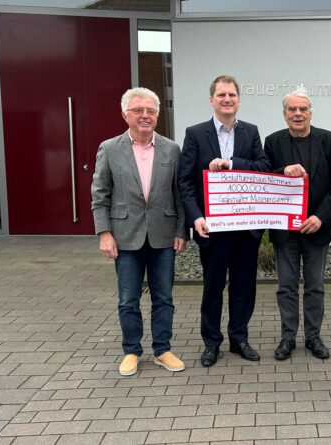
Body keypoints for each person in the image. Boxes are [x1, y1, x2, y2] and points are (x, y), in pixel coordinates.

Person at [91, 87, 187, 376]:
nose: (145, 116)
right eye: (138, 110)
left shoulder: (171, 148)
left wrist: (181, 230)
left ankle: (162, 349)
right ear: (125, 115)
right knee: (128, 298)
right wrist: (104, 233)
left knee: (164, 297)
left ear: (157, 115)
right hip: (125, 236)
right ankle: (131, 351)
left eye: (151, 111)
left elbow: (179, 194)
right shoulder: (109, 148)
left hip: (163, 234)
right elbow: (100, 194)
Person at [177, 75, 270, 367]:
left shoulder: (251, 132)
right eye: (221, 95)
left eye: (231, 94)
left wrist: (232, 164)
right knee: (213, 286)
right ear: (211, 100)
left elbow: (264, 168)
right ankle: (211, 343)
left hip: (245, 227)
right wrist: (196, 217)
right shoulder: (195, 133)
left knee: (244, 286)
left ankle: (239, 338)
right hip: (212, 228)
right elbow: (185, 181)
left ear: (239, 100)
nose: (227, 99)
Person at [263, 87, 331, 360]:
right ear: (285, 114)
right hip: (284, 229)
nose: (297, 114)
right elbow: (264, 178)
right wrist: (281, 171)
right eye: (292, 109)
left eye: (303, 109)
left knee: (315, 286)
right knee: (286, 286)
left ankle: (313, 337)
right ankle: (288, 338)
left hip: (317, 228)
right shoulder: (273, 142)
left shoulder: (330, 140)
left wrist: (320, 217)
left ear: (311, 112)